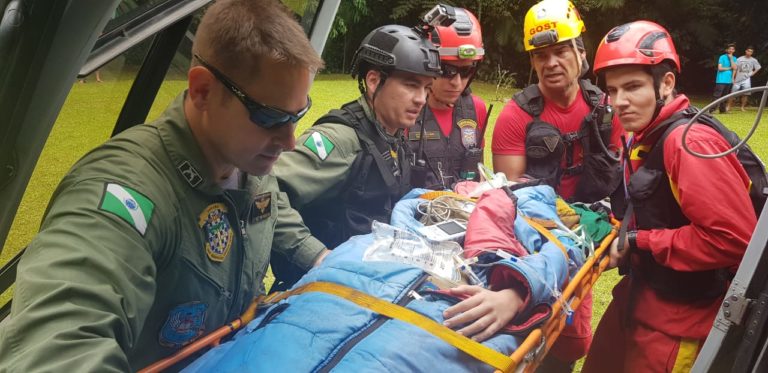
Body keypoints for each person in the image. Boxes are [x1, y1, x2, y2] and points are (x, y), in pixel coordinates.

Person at [0, 0, 329, 370]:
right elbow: (58, 343)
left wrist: (331, 266)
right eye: (270, 117)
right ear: (203, 90)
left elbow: (271, 213)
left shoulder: (249, 162)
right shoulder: (126, 190)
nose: (290, 141)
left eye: (298, 115)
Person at [583, 20, 757, 372]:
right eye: (613, 90)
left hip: (679, 324)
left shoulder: (689, 143)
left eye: (632, 87)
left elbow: (733, 239)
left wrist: (640, 240)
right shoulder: (645, 132)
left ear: (666, 83)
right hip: (638, 301)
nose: (620, 102)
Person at [491, 0, 624, 369]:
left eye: (561, 51)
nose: (550, 63)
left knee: (571, 344)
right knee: (530, 339)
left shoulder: (606, 109)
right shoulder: (516, 116)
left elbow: (624, 184)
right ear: (532, 62)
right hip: (535, 248)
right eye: (540, 55)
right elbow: (510, 199)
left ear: (581, 52)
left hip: (589, 239)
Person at [269, 24, 441, 291]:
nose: (421, 99)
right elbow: (264, 189)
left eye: (426, 88)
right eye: (411, 85)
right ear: (373, 81)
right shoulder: (340, 140)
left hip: (369, 286)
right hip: (318, 293)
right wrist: (316, 255)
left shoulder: (392, 137)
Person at [408, 6, 488, 189]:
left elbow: (481, 173)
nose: (457, 82)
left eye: (466, 70)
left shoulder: (477, 109)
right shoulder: (406, 110)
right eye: (447, 70)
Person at [730, 45, 762, 111]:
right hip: (738, 78)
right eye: (749, 51)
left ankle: (742, 107)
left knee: (746, 94)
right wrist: (733, 78)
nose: (749, 53)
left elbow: (758, 67)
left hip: (746, 79)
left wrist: (752, 73)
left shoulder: (754, 60)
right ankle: (728, 107)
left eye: (751, 52)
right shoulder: (739, 59)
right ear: (746, 51)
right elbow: (735, 69)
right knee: (732, 93)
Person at [711, 43, 737, 114]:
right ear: (727, 50)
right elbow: (720, 68)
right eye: (730, 49)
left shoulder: (734, 58)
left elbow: (734, 68)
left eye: (732, 49)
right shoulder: (722, 57)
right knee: (717, 95)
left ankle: (722, 110)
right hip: (721, 79)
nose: (731, 50)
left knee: (725, 96)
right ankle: (712, 109)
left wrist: (733, 78)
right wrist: (729, 68)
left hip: (728, 80)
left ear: (734, 50)